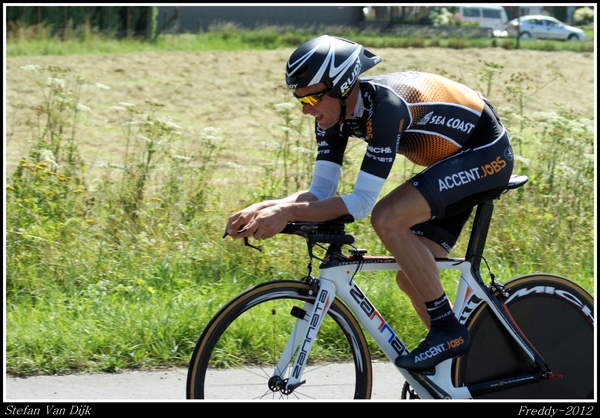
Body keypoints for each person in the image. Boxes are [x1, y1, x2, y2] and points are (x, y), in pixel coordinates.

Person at [225, 35, 514, 372]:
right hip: (452, 161)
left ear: (344, 85)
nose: (306, 109)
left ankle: (448, 332)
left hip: (485, 154)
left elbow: (361, 203)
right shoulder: (333, 116)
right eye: (300, 99)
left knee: (388, 217)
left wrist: (286, 211)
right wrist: (266, 207)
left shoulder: (386, 107)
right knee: (413, 278)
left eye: (314, 97)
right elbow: (318, 193)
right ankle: (466, 372)